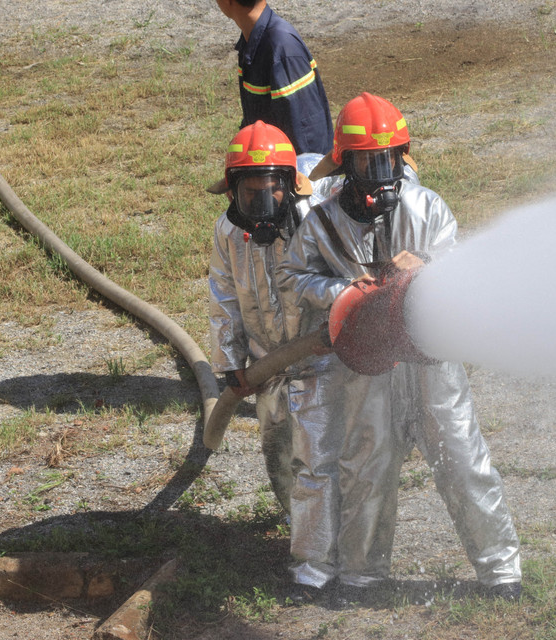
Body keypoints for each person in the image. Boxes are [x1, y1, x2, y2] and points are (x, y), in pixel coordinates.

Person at [277, 92, 522, 605]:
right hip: (366, 363)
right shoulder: (320, 220)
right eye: (368, 161)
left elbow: (457, 273)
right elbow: (294, 274)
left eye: (389, 159)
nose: (381, 173)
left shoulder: (428, 207)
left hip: (430, 356)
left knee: (461, 457)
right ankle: (365, 576)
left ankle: (501, 572)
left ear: (402, 157)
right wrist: (343, 291)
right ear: (344, 164)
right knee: (367, 462)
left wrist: (425, 275)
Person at [208, 120, 318, 512]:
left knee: (326, 455)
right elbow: (223, 294)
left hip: (324, 362)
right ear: (233, 191)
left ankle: (333, 538)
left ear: (288, 185)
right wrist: (229, 361)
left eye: (271, 192)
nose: (262, 206)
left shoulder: (315, 220)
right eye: (249, 195)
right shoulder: (228, 231)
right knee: (279, 453)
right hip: (266, 366)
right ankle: (298, 532)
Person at [214, 0, 333, 176]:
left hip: (300, 180)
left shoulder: (282, 49)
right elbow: (257, 119)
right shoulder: (252, 40)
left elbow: (307, 141)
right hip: (275, 171)